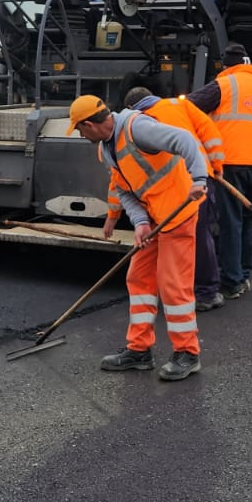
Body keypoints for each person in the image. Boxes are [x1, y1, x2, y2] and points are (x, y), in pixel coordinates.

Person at [73, 93, 209, 382]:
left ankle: (187, 353)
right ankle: (139, 350)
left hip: (178, 214)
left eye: (79, 128)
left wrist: (199, 179)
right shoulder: (106, 149)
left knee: (173, 285)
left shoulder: (137, 128)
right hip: (154, 219)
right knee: (139, 278)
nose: (80, 134)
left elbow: (184, 140)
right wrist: (140, 223)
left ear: (89, 124)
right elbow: (124, 190)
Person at [188, 42, 252, 299]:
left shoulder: (223, 85)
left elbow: (188, 108)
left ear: (226, 65)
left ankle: (231, 281)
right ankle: (243, 274)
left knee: (231, 221)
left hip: (228, 163)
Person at [123, 85, 228, 313]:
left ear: (131, 107)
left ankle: (180, 292)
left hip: (177, 184)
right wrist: (216, 166)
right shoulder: (179, 104)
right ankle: (205, 293)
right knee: (200, 236)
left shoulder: (136, 123)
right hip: (198, 179)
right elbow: (208, 130)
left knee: (179, 239)